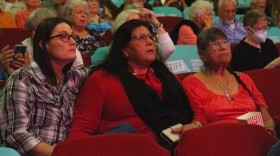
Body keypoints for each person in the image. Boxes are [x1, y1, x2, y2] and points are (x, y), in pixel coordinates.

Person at [67, 19, 196, 150]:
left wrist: (196, 124)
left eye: (151, 37)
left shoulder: (166, 75)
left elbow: (195, 109)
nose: (149, 41)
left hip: (178, 145)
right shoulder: (102, 79)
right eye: (140, 38)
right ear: (124, 50)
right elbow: (82, 127)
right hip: (128, 148)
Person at [0, 17, 89, 155]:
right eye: (63, 36)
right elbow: (17, 134)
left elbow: (105, 72)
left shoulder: (74, 77)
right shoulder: (22, 78)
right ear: (43, 44)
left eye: (72, 36)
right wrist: (61, 152)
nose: (72, 42)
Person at [182, 27, 275, 135]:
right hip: (218, 140)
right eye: (214, 44)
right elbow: (198, 122)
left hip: (253, 138)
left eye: (225, 42)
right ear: (202, 55)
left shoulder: (244, 78)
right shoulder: (191, 83)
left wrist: (269, 132)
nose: (223, 47)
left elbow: (267, 119)